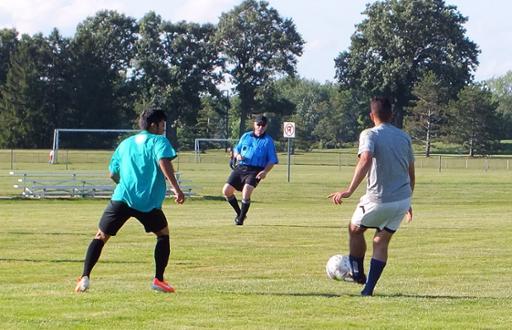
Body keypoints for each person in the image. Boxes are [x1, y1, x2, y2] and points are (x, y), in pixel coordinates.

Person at [75, 108, 185, 294]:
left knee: (101, 236)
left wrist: (124, 184)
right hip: (147, 202)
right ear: (154, 125)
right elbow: (163, 162)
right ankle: (158, 279)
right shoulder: (159, 141)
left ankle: (84, 278)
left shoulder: (125, 144)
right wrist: (176, 188)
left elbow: (112, 172)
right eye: (162, 125)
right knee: (163, 235)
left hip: (122, 198)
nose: (163, 129)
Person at [328, 97, 415, 296]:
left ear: (371, 115)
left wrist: (348, 190)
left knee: (355, 228)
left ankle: (357, 273)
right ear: (391, 115)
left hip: (378, 199)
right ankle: (368, 289)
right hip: (402, 200)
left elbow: (366, 159)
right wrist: (408, 199)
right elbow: (410, 171)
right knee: (380, 242)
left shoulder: (369, 134)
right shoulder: (404, 137)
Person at [222, 114, 278, 225]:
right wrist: (237, 155)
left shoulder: (268, 141)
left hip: (255, 170)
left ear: (266, 126)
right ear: (254, 124)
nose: (260, 127)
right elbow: (236, 149)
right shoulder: (246, 136)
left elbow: (272, 160)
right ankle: (240, 213)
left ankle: (241, 219)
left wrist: (265, 171)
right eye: (258, 125)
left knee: (246, 190)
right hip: (241, 167)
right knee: (226, 191)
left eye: (263, 125)